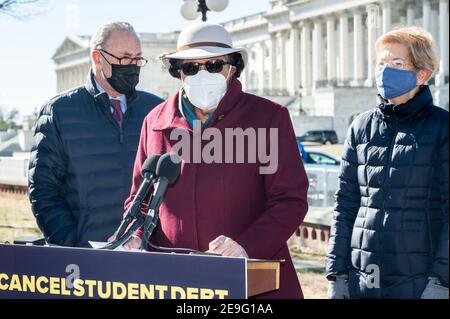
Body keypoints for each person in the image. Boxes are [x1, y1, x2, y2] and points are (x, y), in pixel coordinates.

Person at [120, 22, 309, 299]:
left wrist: (246, 246)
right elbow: (140, 196)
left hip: (251, 281)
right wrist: (134, 234)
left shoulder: (268, 118)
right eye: (191, 67)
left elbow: (290, 200)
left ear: (233, 67)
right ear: (178, 73)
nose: (202, 74)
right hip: (175, 281)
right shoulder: (155, 122)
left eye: (214, 65)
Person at [326, 26, 448, 299]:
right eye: (381, 63)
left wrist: (441, 282)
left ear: (422, 74)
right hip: (364, 278)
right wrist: (337, 273)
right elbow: (345, 205)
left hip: (420, 282)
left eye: (396, 63)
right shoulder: (360, 127)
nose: (385, 70)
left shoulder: (442, 127)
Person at [28, 22, 163, 247]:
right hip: (87, 255)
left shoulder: (157, 110)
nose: (132, 66)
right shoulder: (59, 111)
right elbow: (43, 189)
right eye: (124, 58)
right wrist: (71, 244)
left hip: (148, 252)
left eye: (137, 59)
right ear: (97, 58)